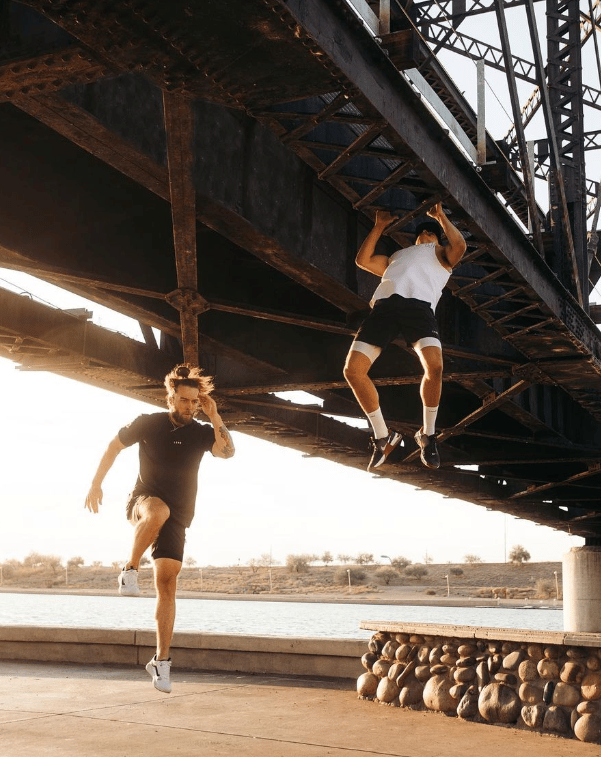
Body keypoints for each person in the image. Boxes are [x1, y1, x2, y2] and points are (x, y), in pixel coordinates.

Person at [85, 363, 235, 693]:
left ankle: (161, 661)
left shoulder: (200, 432)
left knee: (167, 585)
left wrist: (214, 417)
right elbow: (113, 446)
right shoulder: (148, 423)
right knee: (158, 512)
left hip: (179, 518)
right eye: (184, 401)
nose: (190, 407)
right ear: (170, 398)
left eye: (195, 402)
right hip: (144, 501)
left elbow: (227, 451)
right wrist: (96, 484)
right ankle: (129, 569)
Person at [343, 202, 466, 471]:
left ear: (438, 238)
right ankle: (382, 436)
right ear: (416, 237)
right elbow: (362, 260)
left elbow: (460, 246)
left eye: (432, 233)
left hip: (419, 309)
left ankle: (428, 435)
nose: (426, 234)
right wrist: (378, 227)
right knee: (353, 371)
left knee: (435, 367)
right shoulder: (398, 255)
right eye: (423, 232)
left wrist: (441, 216)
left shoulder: (442, 254)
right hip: (385, 306)